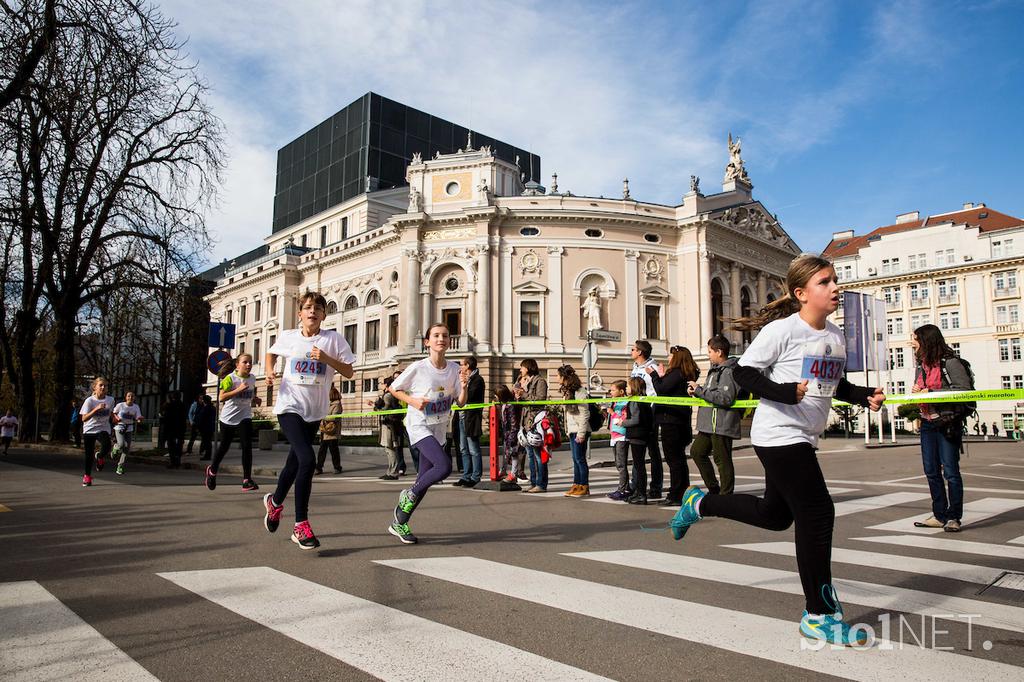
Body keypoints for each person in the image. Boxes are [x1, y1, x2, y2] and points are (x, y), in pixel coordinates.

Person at [668, 253, 884, 647]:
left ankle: (699, 503)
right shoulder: (783, 331)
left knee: (775, 516)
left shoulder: (834, 336)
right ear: (801, 293)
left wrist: (863, 396)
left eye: (834, 280)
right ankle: (818, 615)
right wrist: (783, 392)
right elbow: (743, 371)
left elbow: (832, 384)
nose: (835, 287)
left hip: (804, 434)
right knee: (817, 512)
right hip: (780, 433)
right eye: (825, 282)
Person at [263, 290, 356, 550]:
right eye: (307, 307)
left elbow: (349, 371)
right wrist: (270, 372)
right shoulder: (288, 337)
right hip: (289, 406)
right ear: (300, 314)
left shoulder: (333, 339)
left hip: (314, 411)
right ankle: (300, 525)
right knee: (307, 460)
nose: (312, 311)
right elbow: (271, 354)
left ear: (324, 314)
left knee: (294, 463)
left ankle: (275, 503)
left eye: (317, 308)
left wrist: (326, 359)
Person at [386, 323, 469, 543]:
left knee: (424, 478)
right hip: (419, 425)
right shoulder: (419, 367)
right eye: (436, 336)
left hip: (438, 427)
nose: (440, 339)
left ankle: (399, 522)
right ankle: (409, 493)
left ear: (449, 341)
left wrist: (464, 384)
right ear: (427, 342)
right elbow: (394, 388)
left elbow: (460, 403)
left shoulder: (454, 369)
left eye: (444, 335)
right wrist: (413, 401)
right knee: (443, 467)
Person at [910, 324, 972, 533]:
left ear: (926, 341)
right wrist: (918, 391)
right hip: (927, 422)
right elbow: (921, 388)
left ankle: (954, 516)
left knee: (951, 471)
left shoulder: (950, 363)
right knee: (931, 471)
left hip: (947, 422)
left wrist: (932, 390)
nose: (912, 343)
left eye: (915, 339)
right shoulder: (921, 365)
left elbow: (964, 390)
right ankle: (939, 514)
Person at [688, 334, 742, 496]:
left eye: (710, 351)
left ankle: (726, 495)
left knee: (722, 460)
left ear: (719, 352)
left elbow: (724, 398)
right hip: (709, 423)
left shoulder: (728, 371)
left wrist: (699, 390)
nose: (708, 354)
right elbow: (710, 393)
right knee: (697, 452)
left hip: (721, 423)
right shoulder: (715, 370)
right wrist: (697, 392)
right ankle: (713, 488)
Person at [648, 346, 698, 506]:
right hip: (680, 421)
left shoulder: (677, 373)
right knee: (679, 459)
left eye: (670, 355)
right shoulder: (685, 373)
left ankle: (676, 494)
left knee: (674, 460)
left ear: (677, 357)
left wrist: (655, 375)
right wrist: (662, 377)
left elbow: (661, 389)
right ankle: (683, 491)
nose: (668, 358)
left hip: (672, 421)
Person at [205, 353, 260, 491]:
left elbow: (250, 393)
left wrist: (255, 399)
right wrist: (238, 389)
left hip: (245, 416)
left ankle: (246, 480)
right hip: (228, 418)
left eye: (250, 362)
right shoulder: (230, 378)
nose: (248, 365)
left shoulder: (252, 378)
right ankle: (212, 471)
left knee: (247, 446)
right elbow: (221, 397)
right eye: (245, 362)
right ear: (237, 364)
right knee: (224, 446)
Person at [630, 339, 663, 499]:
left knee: (653, 450)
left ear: (640, 352)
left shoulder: (652, 367)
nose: (631, 352)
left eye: (633, 349)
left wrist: (651, 410)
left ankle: (656, 486)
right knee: (638, 453)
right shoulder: (635, 367)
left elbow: (656, 390)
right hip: (637, 412)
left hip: (650, 413)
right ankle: (636, 486)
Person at [514, 358, 549, 493]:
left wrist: (524, 394)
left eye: (522, 367)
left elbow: (540, 400)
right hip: (526, 421)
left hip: (535, 421)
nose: (520, 370)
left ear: (528, 368)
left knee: (539, 456)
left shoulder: (540, 381)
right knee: (530, 455)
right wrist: (519, 393)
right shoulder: (525, 381)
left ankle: (541, 484)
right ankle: (534, 482)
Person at [558, 364, 592, 497]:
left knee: (580, 459)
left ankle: (584, 486)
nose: (557, 378)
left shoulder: (579, 392)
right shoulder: (568, 392)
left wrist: (581, 433)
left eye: (558, 376)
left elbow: (584, 414)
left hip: (579, 430)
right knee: (575, 459)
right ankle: (576, 485)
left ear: (565, 377)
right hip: (572, 430)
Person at [621, 376, 654, 504]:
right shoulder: (644, 400)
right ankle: (639, 492)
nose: (626, 389)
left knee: (639, 466)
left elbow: (636, 419)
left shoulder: (635, 401)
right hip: (643, 435)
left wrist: (622, 422)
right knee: (639, 466)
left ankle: (641, 494)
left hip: (637, 436)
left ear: (634, 387)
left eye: (628, 386)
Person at [454, 356, 486, 487]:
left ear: (467, 366)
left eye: (462, 364)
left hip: (471, 418)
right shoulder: (465, 379)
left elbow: (469, 397)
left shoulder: (477, 380)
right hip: (462, 417)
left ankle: (475, 476)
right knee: (463, 448)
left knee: (473, 449)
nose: (460, 367)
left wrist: (464, 386)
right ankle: (466, 475)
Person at [80, 377, 115, 486]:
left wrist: (115, 418)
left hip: (103, 428)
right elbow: (84, 418)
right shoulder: (90, 401)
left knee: (107, 446)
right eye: (101, 385)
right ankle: (87, 476)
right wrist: (96, 409)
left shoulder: (110, 400)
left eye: (105, 385)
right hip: (90, 429)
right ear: (94, 387)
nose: (103, 387)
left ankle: (99, 456)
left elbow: (110, 413)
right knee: (88, 455)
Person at [605, 380, 631, 500]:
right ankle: (626, 487)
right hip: (614, 435)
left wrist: (613, 413)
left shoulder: (625, 402)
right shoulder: (615, 402)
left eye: (613, 390)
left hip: (622, 435)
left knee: (621, 464)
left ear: (621, 391)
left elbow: (624, 418)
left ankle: (622, 490)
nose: (611, 392)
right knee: (618, 462)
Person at [374, 376, 403, 480]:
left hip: (388, 425)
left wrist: (375, 407)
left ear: (386, 385)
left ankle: (393, 472)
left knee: (389, 449)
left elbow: (385, 410)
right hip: (391, 424)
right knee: (389, 449)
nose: (381, 385)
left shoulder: (388, 396)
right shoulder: (393, 394)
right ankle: (390, 471)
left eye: (383, 383)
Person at [111, 392, 143, 476]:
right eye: (129, 396)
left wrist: (139, 419)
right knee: (121, 444)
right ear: (126, 397)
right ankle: (116, 447)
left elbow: (137, 417)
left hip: (129, 428)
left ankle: (120, 466)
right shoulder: (120, 405)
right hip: (120, 427)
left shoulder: (136, 407)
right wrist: (116, 417)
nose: (130, 397)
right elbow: (113, 413)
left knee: (126, 449)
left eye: (132, 396)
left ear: (134, 398)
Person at [495, 385, 522, 483]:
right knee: (506, 452)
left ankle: (513, 474)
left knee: (513, 453)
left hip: (512, 433)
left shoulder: (510, 406)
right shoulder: (504, 405)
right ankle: (503, 470)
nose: (495, 397)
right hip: (507, 433)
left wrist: (512, 436)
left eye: (497, 395)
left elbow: (514, 422)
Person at [316, 385, 343, 476]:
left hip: (332, 431)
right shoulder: (327, 404)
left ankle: (337, 467)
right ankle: (319, 468)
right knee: (322, 450)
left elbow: (334, 417)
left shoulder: (337, 404)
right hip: (325, 430)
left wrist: (323, 416)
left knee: (333, 450)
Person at [164, 392, 187, 468]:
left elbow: (166, 417)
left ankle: (172, 461)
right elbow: (184, 417)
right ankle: (178, 460)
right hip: (180, 428)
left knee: (171, 445)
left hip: (171, 428)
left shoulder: (169, 405)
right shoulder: (182, 405)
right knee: (179, 445)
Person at [197, 395, 216, 461]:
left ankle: (207, 456)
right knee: (208, 442)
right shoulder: (212, 407)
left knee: (207, 442)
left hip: (205, 428)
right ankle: (206, 454)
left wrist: (199, 426)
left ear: (204, 401)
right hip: (210, 427)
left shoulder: (206, 408)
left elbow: (202, 418)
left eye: (202, 400)